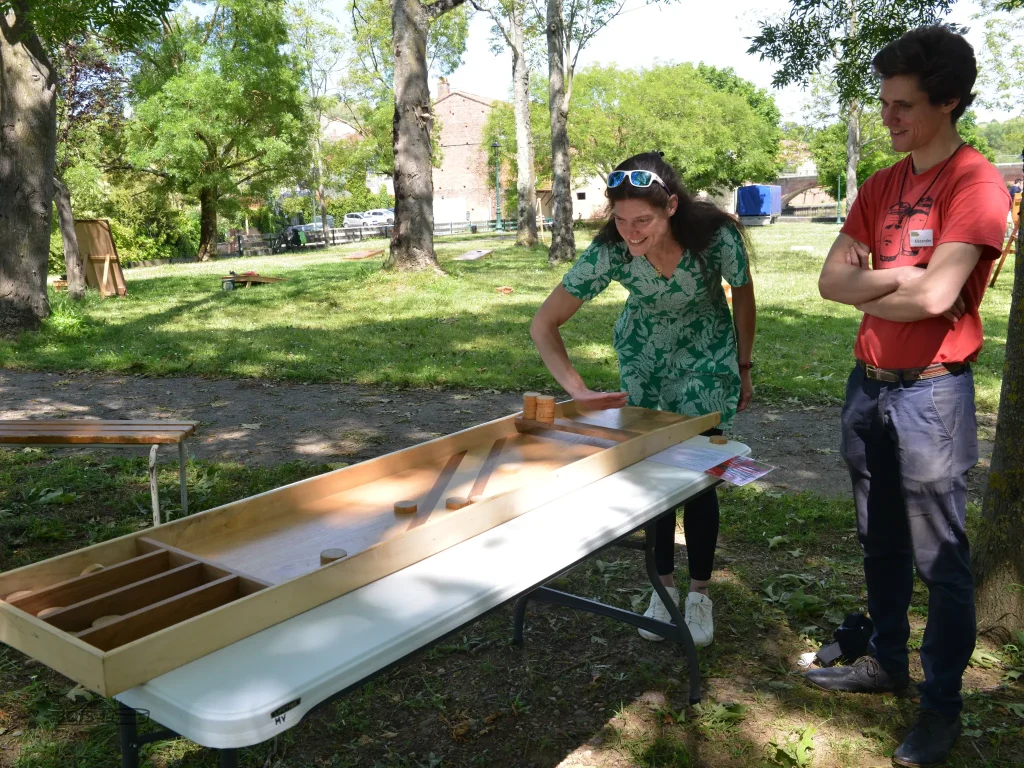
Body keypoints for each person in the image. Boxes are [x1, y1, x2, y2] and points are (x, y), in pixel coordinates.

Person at [807, 26, 1011, 767]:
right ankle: (888, 663)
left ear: (948, 101)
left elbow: (939, 299)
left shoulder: (976, 184)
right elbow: (832, 282)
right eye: (885, 103)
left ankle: (941, 707)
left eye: (903, 106)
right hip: (868, 390)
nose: (889, 118)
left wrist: (887, 286)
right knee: (881, 542)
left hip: (931, 397)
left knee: (941, 560)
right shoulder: (881, 184)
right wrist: (906, 280)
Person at [530, 151, 756, 647]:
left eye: (644, 220)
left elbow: (742, 294)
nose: (631, 232)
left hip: (707, 361)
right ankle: (663, 589)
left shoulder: (715, 239)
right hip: (645, 362)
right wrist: (579, 391)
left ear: (671, 206)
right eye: (621, 219)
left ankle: (699, 595)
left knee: (700, 479)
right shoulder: (610, 252)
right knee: (653, 478)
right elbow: (543, 323)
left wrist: (743, 367)